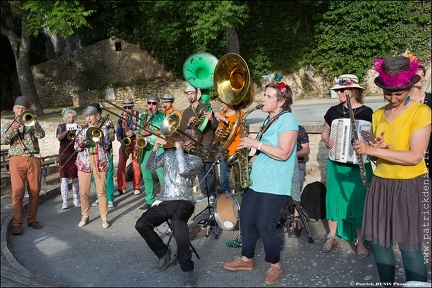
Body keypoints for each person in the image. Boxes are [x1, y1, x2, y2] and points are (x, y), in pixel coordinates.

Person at [354, 56, 430, 284]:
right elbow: (381, 158)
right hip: (381, 184)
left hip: (410, 185)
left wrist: (372, 150)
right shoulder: (377, 115)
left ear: (409, 87)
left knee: (409, 247)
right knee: (380, 244)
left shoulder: (422, 112)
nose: (393, 98)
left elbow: (414, 156)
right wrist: (376, 149)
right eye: (388, 93)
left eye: (399, 93)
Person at [223, 82, 298, 285]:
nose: (262, 99)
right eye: (264, 95)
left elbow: (284, 153)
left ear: (281, 102)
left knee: (265, 226)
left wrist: (256, 144)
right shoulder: (269, 119)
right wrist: (251, 159)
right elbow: (266, 151)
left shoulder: (288, 120)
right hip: (256, 182)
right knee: (246, 219)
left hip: (274, 184)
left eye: (268, 96)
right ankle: (247, 259)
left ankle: (275, 265)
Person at [135, 126, 203, 287]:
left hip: (184, 202)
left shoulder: (196, 159)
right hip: (165, 201)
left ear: (195, 142)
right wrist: (156, 147)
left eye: (187, 136)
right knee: (141, 224)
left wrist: (179, 148)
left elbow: (183, 169)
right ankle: (165, 254)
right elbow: (150, 166)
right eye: (182, 136)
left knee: (178, 224)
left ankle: (187, 270)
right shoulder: (168, 154)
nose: (182, 138)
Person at [320, 74, 373, 257]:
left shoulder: (367, 112)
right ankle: (332, 236)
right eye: (338, 90)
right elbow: (325, 132)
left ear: (354, 91)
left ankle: (360, 240)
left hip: (358, 165)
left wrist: (369, 141)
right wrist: (327, 141)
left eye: (343, 90)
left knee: (359, 199)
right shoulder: (333, 111)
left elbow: (373, 139)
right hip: (336, 164)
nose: (339, 93)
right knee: (333, 197)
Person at [1, 96, 45, 235]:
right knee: (17, 193)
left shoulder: (32, 120)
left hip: (33, 158)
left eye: (23, 109)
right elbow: (4, 140)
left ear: (27, 110)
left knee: (35, 191)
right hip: (16, 159)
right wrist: (12, 129)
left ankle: (32, 219)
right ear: (14, 109)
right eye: (18, 108)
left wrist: (33, 124)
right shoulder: (8, 124)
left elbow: (41, 134)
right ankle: (16, 224)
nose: (20, 111)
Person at [180, 85, 219, 204]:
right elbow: (182, 130)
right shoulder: (186, 112)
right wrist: (188, 123)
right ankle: (204, 192)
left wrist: (212, 118)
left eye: (191, 93)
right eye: (188, 94)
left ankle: (212, 193)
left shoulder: (206, 108)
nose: (190, 96)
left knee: (209, 169)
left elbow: (215, 126)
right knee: (200, 169)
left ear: (196, 93)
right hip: (195, 144)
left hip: (206, 142)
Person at [74, 105, 110, 229]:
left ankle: (104, 217)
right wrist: (82, 142)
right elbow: (76, 148)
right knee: (83, 192)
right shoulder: (81, 129)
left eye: (91, 115)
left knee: (101, 191)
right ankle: (85, 215)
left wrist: (99, 139)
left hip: (100, 162)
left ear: (96, 116)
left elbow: (107, 146)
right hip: (84, 162)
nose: (89, 118)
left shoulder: (103, 129)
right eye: (87, 116)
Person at [138, 95, 165, 210]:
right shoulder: (143, 116)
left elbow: (165, 133)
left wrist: (150, 131)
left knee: (162, 175)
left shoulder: (163, 116)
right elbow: (138, 132)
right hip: (146, 148)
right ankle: (149, 200)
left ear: (158, 105)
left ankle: (166, 200)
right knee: (146, 175)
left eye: (154, 103)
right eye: (149, 103)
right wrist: (140, 133)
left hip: (158, 147)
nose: (151, 106)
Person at [213, 101, 243, 193]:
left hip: (235, 150)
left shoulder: (239, 113)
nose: (221, 105)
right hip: (224, 150)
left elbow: (237, 130)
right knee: (223, 178)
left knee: (238, 178)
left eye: (222, 103)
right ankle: (225, 198)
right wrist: (218, 131)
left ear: (229, 102)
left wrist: (225, 120)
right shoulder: (223, 113)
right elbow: (221, 129)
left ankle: (240, 195)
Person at [89, 103, 116, 208]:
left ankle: (109, 198)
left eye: (95, 112)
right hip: (93, 151)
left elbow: (113, 136)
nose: (93, 115)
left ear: (99, 112)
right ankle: (99, 197)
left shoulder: (107, 121)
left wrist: (103, 136)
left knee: (108, 175)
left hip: (106, 151)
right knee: (95, 175)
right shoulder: (89, 122)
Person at [114, 98, 142, 196]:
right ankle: (121, 188)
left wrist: (133, 132)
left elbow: (142, 130)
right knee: (121, 165)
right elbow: (118, 133)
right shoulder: (121, 117)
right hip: (124, 142)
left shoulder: (139, 115)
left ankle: (137, 187)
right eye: (125, 107)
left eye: (129, 107)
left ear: (132, 106)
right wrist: (121, 141)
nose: (127, 109)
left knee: (136, 165)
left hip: (135, 141)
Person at [56, 108, 80, 209]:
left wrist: (76, 132)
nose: (71, 119)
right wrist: (68, 130)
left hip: (74, 153)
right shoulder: (61, 126)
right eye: (69, 117)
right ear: (66, 118)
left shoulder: (77, 127)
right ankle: (65, 202)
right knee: (64, 178)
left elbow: (79, 139)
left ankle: (76, 199)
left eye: (73, 117)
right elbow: (59, 137)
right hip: (64, 154)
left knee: (75, 178)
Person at [410, 64, 431, 178]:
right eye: (418, 75)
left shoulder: (430, 98)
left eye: (423, 75)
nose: (421, 78)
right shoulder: (403, 100)